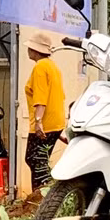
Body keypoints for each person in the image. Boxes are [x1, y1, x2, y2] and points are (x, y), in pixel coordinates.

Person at [24, 32, 66, 193]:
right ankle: (42, 193)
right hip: (55, 122)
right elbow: (58, 95)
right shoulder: (53, 67)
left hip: (45, 122)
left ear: (35, 50)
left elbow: (40, 96)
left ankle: (42, 194)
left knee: (35, 159)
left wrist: (38, 121)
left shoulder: (40, 67)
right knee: (39, 159)